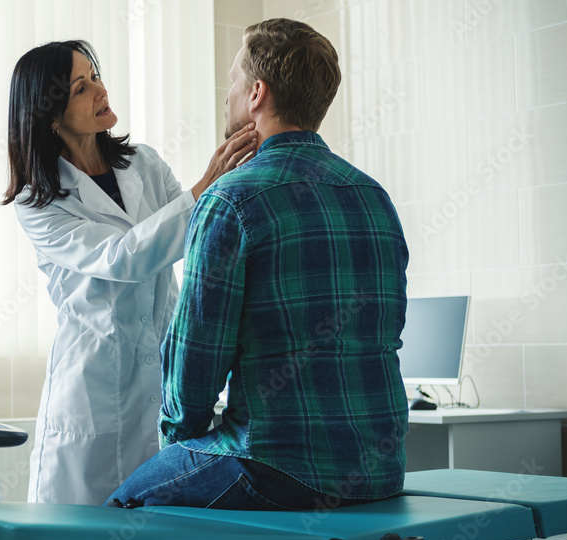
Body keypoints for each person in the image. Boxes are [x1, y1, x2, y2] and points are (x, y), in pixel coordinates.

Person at [107, 18, 410, 511]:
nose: (227, 94)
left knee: (121, 508)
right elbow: (384, 332)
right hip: (381, 469)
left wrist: (179, 446)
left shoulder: (231, 200)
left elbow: (195, 365)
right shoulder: (373, 196)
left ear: (257, 94)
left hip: (276, 469)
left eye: (233, 81)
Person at [3, 39, 257, 505]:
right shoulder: (39, 202)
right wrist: (206, 186)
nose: (100, 91)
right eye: (81, 88)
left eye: (95, 76)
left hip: (157, 380)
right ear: (51, 116)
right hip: (90, 396)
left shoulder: (144, 163)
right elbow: (122, 257)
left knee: (153, 536)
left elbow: (193, 236)